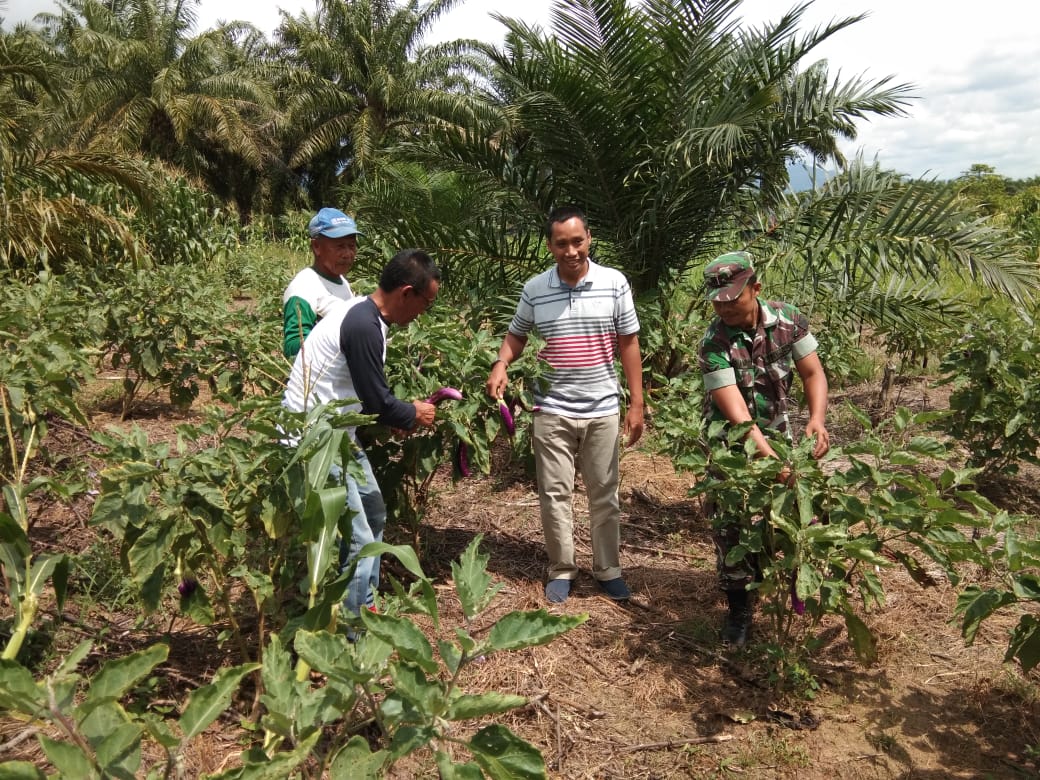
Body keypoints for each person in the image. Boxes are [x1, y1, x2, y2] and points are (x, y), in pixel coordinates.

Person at [486, 205, 645, 604]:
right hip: (552, 408)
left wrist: (637, 403)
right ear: (550, 245)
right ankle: (562, 568)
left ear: (589, 239)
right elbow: (517, 335)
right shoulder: (535, 289)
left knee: (604, 492)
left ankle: (608, 570)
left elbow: (629, 342)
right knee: (554, 493)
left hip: (602, 406)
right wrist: (501, 362)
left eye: (577, 241)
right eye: (562, 244)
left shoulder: (614, 283)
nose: (571, 251)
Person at [282, 248, 440, 620]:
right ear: (406, 293)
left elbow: (368, 399)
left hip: (338, 434)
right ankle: (355, 626)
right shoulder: (362, 325)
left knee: (373, 508)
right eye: (426, 303)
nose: (423, 313)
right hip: (316, 440)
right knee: (359, 538)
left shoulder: (367, 318)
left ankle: (362, 599)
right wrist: (410, 413)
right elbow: (376, 402)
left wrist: (399, 416)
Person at [698, 250, 830, 646]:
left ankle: (796, 592)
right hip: (731, 445)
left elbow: (813, 372)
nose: (725, 308)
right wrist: (765, 455)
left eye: (733, 299)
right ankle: (739, 610)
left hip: (781, 433)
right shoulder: (713, 341)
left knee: (798, 514)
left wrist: (817, 419)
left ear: (755, 288)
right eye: (717, 302)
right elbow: (735, 411)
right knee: (731, 521)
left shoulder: (789, 320)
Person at [282, 207, 363, 359]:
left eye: (351, 246)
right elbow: (292, 346)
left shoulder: (342, 282)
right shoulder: (303, 288)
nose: (348, 254)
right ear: (316, 247)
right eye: (340, 246)